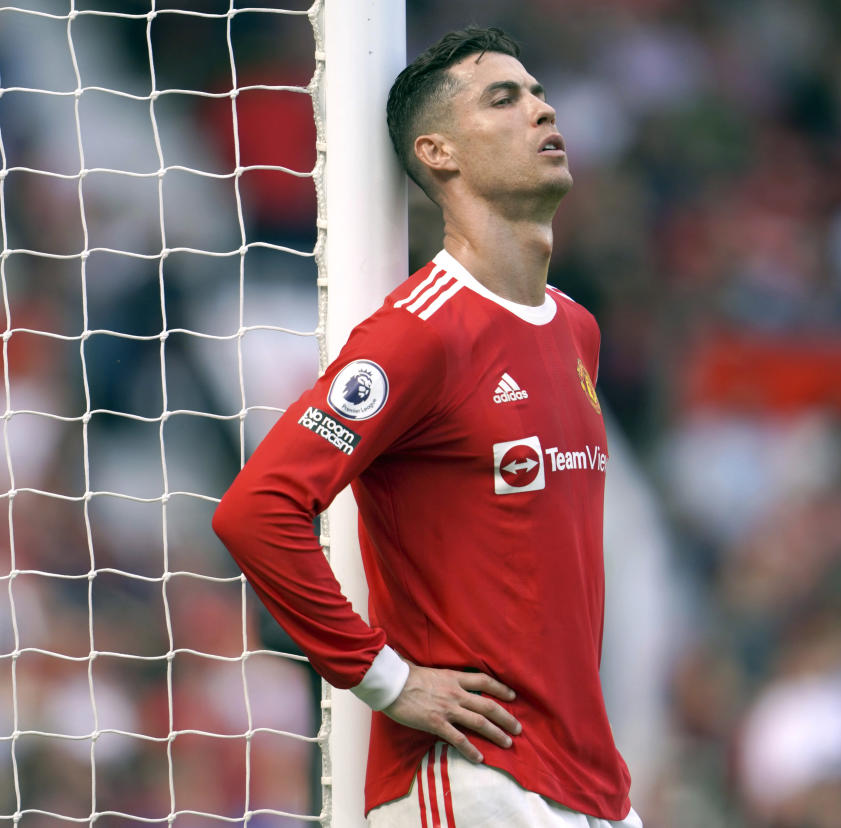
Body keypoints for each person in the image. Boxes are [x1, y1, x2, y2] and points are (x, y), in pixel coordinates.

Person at [212, 27, 640, 827]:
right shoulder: (420, 332)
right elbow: (256, 510)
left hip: (590, 784)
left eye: (538, 93)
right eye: (503, 99)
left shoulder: (575, 327)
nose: (540, 109)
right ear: (437, 152)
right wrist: (385, 679)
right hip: (470, 780)